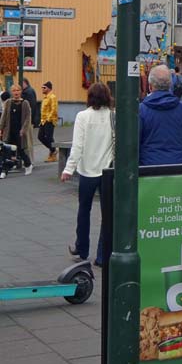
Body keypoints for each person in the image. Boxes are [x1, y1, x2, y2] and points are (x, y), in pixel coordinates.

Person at [60, 82, 114, 266]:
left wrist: (68, 169)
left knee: (84, 210)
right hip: (107, 171)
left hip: (87, 171)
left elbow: (78, 145)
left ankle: (82, 248)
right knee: (107, 215)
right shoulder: (113, 116)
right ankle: (102, 255)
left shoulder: (82, 116)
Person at [140, 64, 182, 165]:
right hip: (179, 167)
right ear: (170, 85)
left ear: (150, 87)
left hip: (149, 167)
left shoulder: (141, 110)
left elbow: (134, 144)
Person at [0, 83, 34, 178]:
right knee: (6, 150)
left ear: (21, 91)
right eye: (14, 91)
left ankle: (28, 164)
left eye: (18, 90)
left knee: (20, 149)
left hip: (19, 131)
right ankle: (4, 170)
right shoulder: (8, 102)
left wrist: (23, 129)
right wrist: (1, 128)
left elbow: (28, 118)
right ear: (11, 92)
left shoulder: (25, 103)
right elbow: (3, 117)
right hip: (9, 130)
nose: (16, 92)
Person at [38, 81, 58, 162]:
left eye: (44, 88)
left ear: (49, 88)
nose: (42, 89)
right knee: (40, 137)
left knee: (49, 137)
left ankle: (53, 153)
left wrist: (48, 119)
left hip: (49, 121)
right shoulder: (45, 97)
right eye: (42, 87)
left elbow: (54, 109)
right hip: (43, 121)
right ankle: (53, 150)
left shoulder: (52, 97)